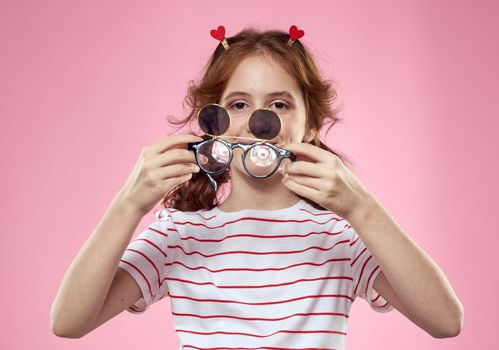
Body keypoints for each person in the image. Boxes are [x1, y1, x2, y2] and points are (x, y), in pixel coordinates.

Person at [50, 26, 464, 349]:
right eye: (238, 105)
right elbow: (69, 323)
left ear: (312, 125)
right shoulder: (179, 235)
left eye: (279, 105)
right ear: (212, 122)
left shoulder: (340, 237)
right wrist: (127, 205)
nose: (256, 124)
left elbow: (446, 322)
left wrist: (363, 210)